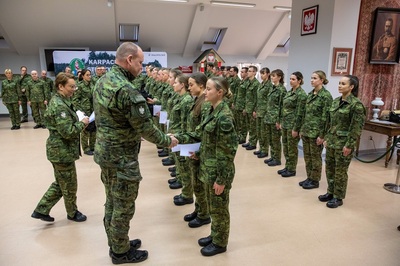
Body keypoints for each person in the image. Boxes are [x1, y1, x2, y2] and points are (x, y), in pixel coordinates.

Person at [93, 42, 178, 264]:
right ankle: (120, 253)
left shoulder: (102, 81)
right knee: (123, 205)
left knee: (112, 200)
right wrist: (167, 141)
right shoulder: (127, 90)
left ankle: (117, 242)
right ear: (129, 59)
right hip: (122, 158)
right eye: (140, 62)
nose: (142, 67)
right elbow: (146, 128)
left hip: (106, 153)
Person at [175, 76, 238, 257]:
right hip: (207, 167)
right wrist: (198, 152)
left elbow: (228, 152)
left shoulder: (224, 117)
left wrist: (221, 180)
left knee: (219, 209)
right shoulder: (211, 110)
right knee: (212, 206)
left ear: (220, 92)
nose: (206, 92)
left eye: (209, 89)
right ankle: (214, 234)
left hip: (218, 172)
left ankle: (220, 243)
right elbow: (206, 139)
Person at [31, 72, 89, 223]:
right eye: (71, 86)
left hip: (60, 150)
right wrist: (82, 123)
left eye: (75, 86)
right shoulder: (59, 106)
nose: (74, 89)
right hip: (61, 151)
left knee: (61, 182)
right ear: (60, 86)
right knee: (69, 184)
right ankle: (72, 213)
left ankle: (41, 209)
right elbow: (68, 132)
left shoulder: (62, 100)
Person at [319, 75, 366, 208]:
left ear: (351, 87)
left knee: (340, 171)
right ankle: (330, 192)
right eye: (339, 83)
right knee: (330, 169)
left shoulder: (356, 105)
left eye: (343, 84)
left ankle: (338, 197)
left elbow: (356, 128)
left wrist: (349, 145)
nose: (340, 85)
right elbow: (331, 123)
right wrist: (327, 138)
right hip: (332, 142)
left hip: (344, 144)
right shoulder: (335, 102)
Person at [180, 72, 211, 228]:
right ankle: (198, 209)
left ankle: (204, 214)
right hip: (192, 146)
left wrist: (198, 152)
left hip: (198, 149)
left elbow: (203, 131)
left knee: (199, 184)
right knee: (195, 182)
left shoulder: (205, 104)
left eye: (191, 84)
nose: (189, 87)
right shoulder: (197, 100)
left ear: (202, 85)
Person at [299, 70, 333, 189]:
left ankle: (315, 180)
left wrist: (322, 135)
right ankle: (309, 177)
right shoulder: (310, 94)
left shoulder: (326, 96)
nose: (312, 80)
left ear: (322, 80)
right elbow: (305, 114)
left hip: (316, 133)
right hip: (307, 130)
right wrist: (301, 129)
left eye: (315, 78)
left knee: (316, 157)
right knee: (307, 156)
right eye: (311, 78)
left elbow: (326, 118)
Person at [278, 72, 307, 177]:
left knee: (292, 149)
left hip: (293, 126)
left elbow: (300, 113)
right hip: (285, 124)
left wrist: (296, 128)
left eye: (293, 79)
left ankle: (292, 169)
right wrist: (281, 121)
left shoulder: (301, 94)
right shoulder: (289, 92)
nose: (291, 81)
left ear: (299, 81)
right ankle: (287, 166)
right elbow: (284, 108)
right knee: (285, 147)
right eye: (290, 79)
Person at [264, 69, 286, 167]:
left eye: (274, 76)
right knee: (270, 139)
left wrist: (279, 120)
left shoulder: (281, 90)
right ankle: (273, 156)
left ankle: (277, 159)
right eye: (271, 76)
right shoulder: (272, 88)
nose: (272, 77)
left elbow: (282, 106)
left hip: (275, 118)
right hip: (269, 117)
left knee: (276, 140)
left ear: (279, 77)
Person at [73, 69, 96, 155]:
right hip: (85, 111)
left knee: (94, 129)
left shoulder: (92, 85)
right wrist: (81, 110)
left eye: (90, 75)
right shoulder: (79, 86)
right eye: (87, 75)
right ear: (82, 76)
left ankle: (93, 147)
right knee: (85, 130)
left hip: (93, 111)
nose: (89, 76)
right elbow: (75, 100)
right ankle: (86, 148)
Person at [253, 67, 272, 158]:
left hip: (265, 112)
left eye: (263, 73)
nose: (261, 75)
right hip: (259, 111)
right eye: (261, 73)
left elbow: (269, 100)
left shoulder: (269, 86)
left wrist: (267, 112)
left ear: (268, 74)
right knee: (259, 131)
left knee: (264, 133)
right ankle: (261, 148)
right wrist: (255, 110)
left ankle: (265, 150)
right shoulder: (261, 85)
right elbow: (258, 99)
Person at [242, 65, 260, 150]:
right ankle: (250, 141)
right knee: (249, 126)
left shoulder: (256, 84)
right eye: (248, 71)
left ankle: (253, 143)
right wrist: (245, 108)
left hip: (253, 109)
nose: (248, 72)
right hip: (248, 108)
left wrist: (255, 110)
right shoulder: (248, 83)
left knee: (253, 127)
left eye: (249, 71)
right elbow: (246, 97)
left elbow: (257, 98)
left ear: (254, 73)